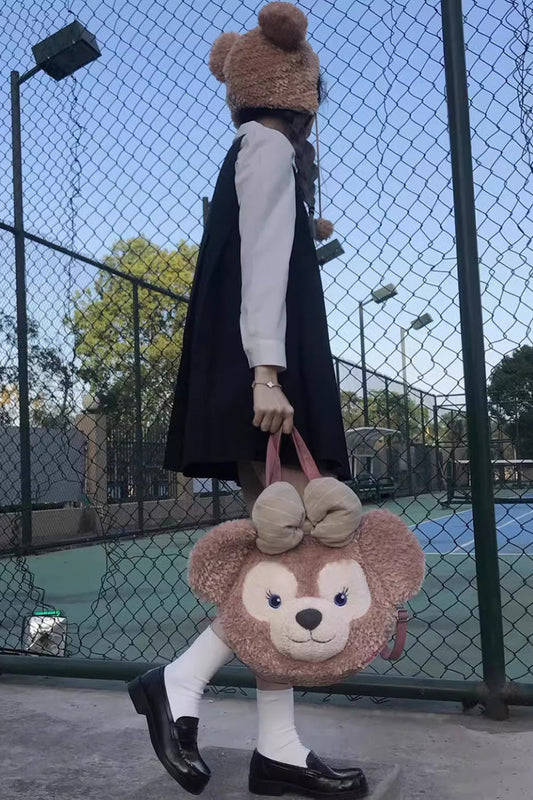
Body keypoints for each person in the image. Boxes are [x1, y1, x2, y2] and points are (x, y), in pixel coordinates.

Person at [128, 3, 366, 798]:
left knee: (285, 557)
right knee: (296, 557)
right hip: (262, 375)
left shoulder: (261, 153)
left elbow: (268, 246)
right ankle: (184, 684)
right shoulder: (264, 147)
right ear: (292, 86)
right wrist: (268, 373)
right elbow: (261, 261)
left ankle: (273, 746)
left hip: (260, 368)